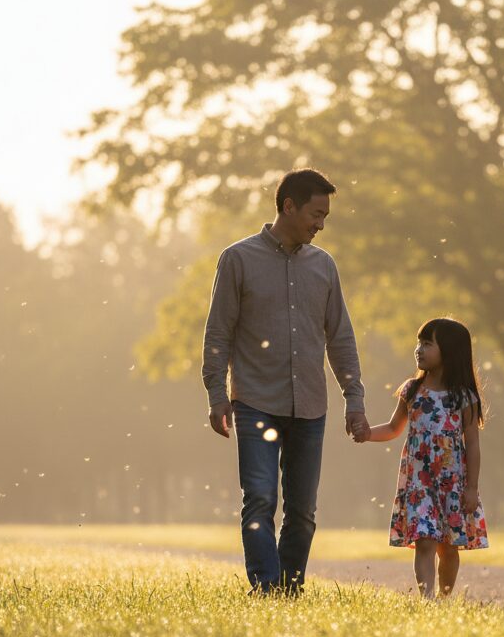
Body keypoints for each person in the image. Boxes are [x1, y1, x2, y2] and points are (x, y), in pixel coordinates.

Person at [202, 168, 369, 595]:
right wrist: (217, 394)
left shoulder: (324, 266)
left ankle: (288, 591)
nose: (321, 224)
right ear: (288, 206)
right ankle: (265, 586)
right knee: (259, 500)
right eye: (316, 213)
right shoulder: (238, 259)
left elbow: (341, 337)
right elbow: (218, 333)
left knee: (302, 512)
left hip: (310, 407)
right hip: (256, 401)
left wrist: (355, 398)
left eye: (326, 215)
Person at [355, 317, 488, 598]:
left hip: (452, 482)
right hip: (419, 482)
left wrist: (472, 487)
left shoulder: (463, 397)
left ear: (449, 351)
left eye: (427, 344)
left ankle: (443, 597)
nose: (419, 349)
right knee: (425, 541)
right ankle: (427, 602)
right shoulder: (412, 390)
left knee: (448, 549)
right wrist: (367, 433)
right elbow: (393, 428)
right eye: (419, 342)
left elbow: (473, 445)